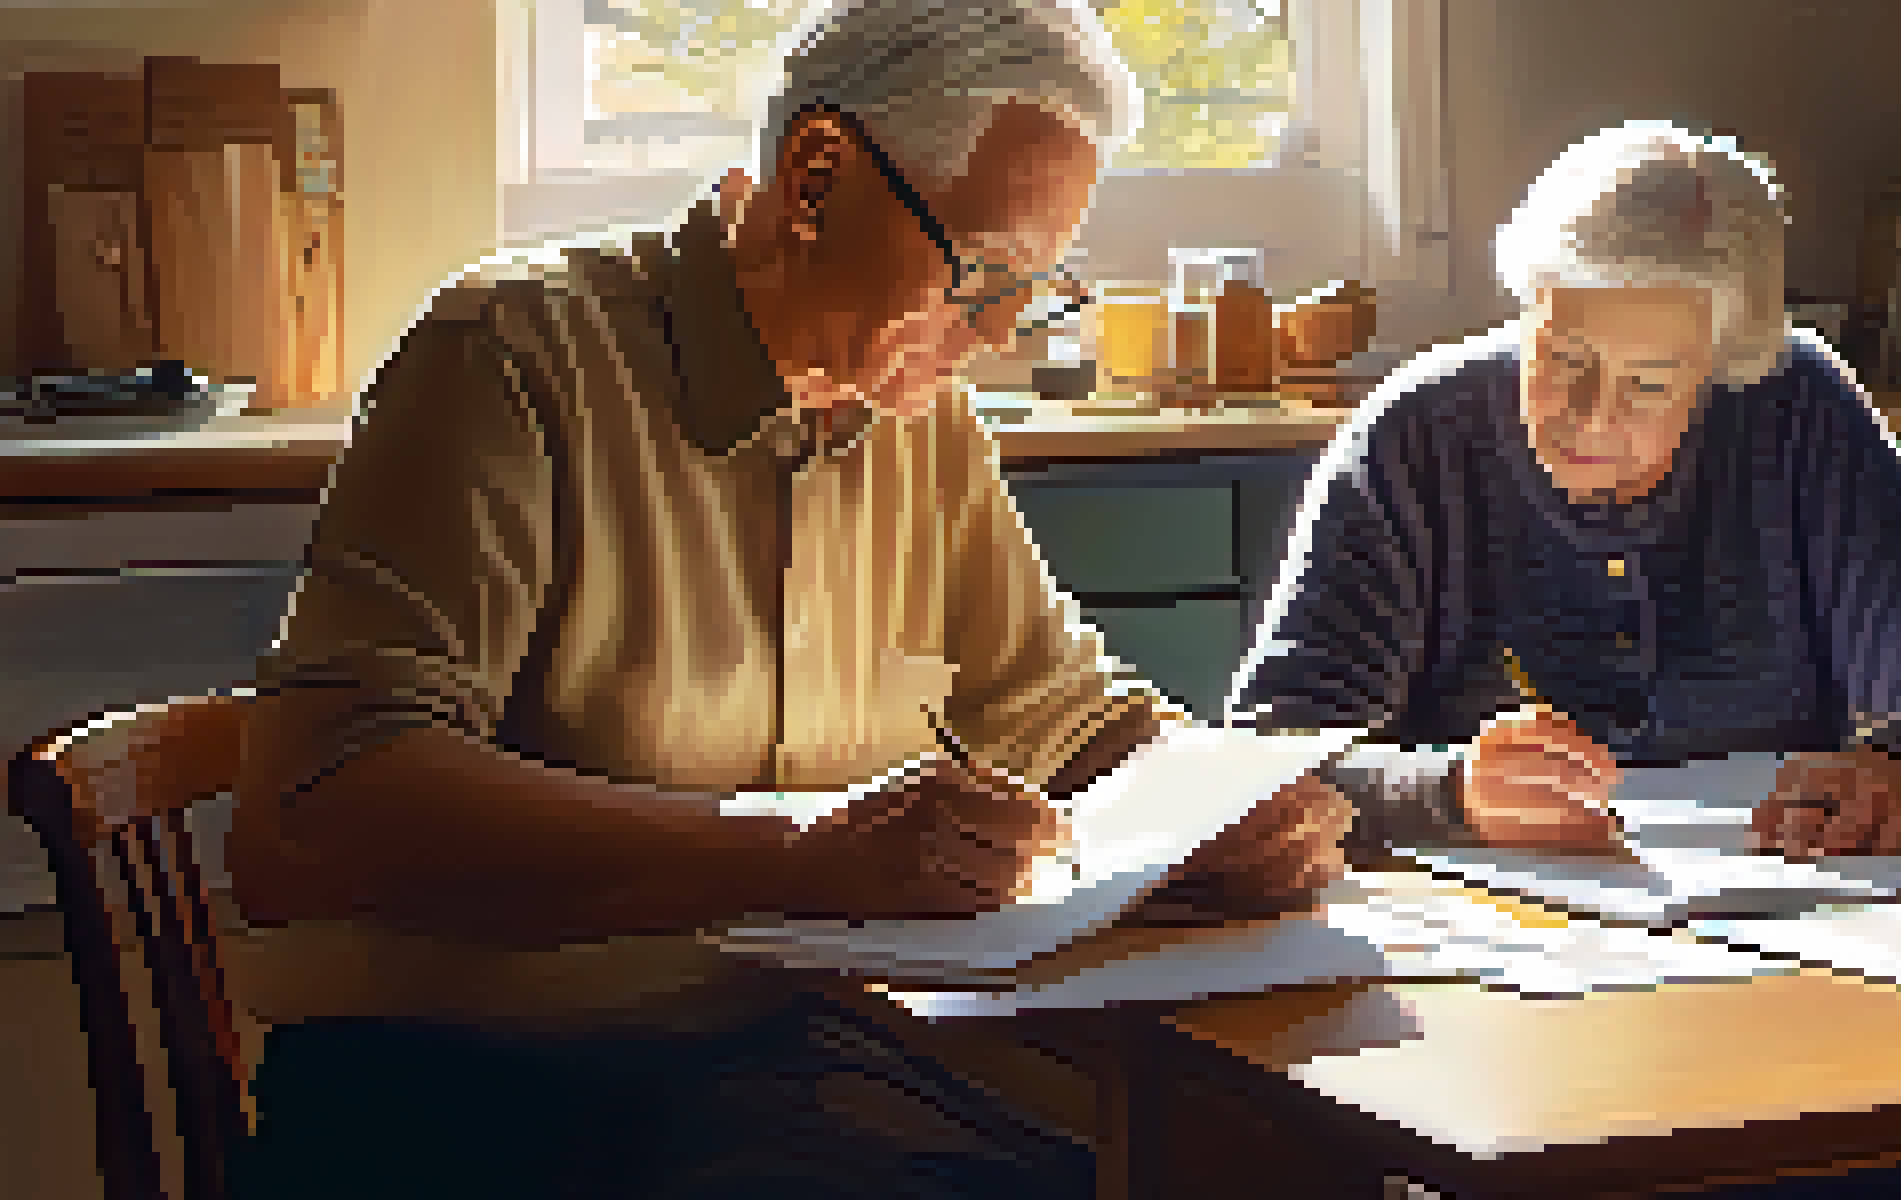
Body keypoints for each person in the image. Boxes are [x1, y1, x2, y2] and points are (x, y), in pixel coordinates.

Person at [222, 3, 1350, 1197]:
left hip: (797, 1068)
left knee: (1238, 1158)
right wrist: (798, 847)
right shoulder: (514, 350)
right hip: (479, 1095)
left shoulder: (917, 415)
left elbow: (1062, 714)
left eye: (1039, 287)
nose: (1004, 331)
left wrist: (1221, 803)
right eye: (981, 272)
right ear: (816, 178)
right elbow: (315, 808)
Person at [1226, 122, 1901, 861]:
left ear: (1717, 372)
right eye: (1564, 361)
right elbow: (1257, 767)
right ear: (1529, 311)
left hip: (1768, 959)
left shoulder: (1794, 413)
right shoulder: (1419, 434)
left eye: (1648, 384)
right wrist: (1447, 791)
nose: (1590, 418)